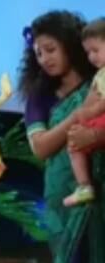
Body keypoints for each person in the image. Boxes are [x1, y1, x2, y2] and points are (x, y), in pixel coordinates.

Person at [18, 10, 105, 263]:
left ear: (73, 46)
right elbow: (39, 147)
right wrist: (80, 120)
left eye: (51, 49)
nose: (45, 59)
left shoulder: (99, 81)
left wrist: (92, 130)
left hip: (99, 191)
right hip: (63, 203)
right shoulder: (41, 96)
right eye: (38, 52)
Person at [63, 18, 105, 206]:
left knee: (75, 142)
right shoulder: (100, 75)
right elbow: (91, 100)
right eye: (88, 52)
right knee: (73, 141)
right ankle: (84, 186)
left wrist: (93, 111)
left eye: (96, 50)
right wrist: (84, 114)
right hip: (99, 120)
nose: (91, 57)